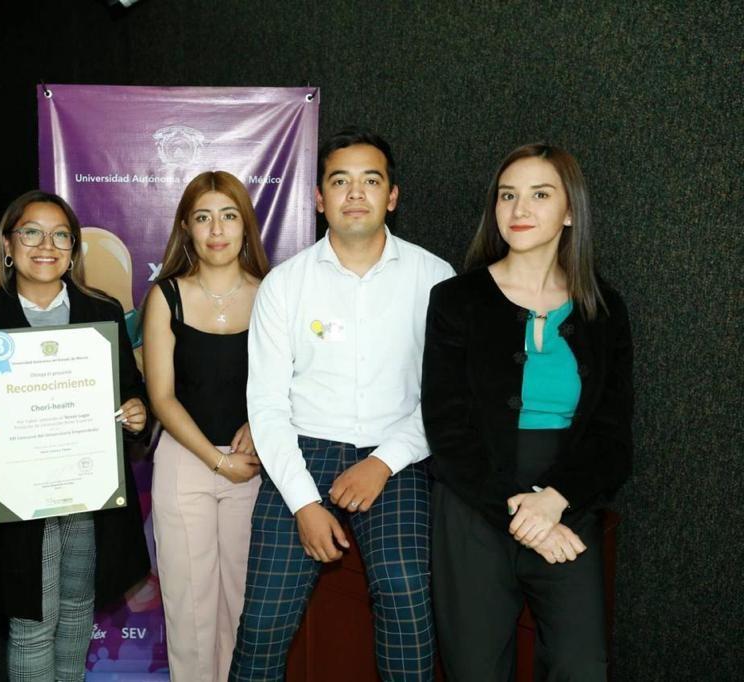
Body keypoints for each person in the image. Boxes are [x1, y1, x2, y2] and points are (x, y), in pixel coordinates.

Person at [230, 128, 454, 680]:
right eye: (340, 180)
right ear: (318, 197)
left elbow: (446, 398)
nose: (356, 193)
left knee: (406, 596)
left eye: (370, 180)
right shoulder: (284, 285)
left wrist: (382, 462)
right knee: (262, 621)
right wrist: (306, 504)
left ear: (392, 196)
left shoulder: (437, 279)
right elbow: (265, 403)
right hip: (299, 454)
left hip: (396, 456)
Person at [423, 143, 633, 681]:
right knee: (473, 669)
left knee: (582, 665)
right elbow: (448, 430)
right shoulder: (455, 299)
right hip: (474, 505)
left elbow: (612, 437)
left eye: (540, 195)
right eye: (508, 195)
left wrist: (553, 504)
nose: (519, 209)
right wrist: (523, 515)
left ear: (569, 212)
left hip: (566, 502)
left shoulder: (603, 309)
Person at [0, 190, 151, 682]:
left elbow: (132, 392)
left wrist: (136, 412)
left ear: (73, 250)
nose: (46, 245)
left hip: (87, 496)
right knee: (30, 625)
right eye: (31, 232)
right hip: (20, 503)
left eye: (60, 235)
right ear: (8, 244)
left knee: (77, 616)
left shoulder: (102, 312)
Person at [142, 171, 270, 681]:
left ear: (245, 226)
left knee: (244, 609)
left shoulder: (273, 294)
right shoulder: (165, 296)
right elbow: (162, 397)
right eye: (203, 217)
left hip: (255, 466)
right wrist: (216, 460)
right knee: (190, 611)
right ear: (186, 228)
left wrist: (259, 429)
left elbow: (291, 383)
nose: (216, 229)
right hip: (185, 462)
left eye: (229, 215)